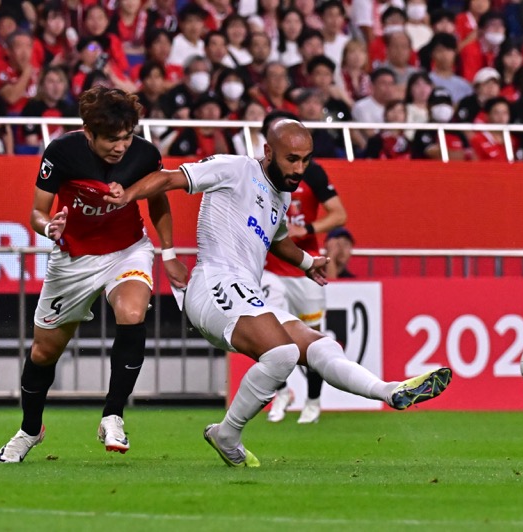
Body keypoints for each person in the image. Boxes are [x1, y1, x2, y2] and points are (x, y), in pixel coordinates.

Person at [103, 118, 452, 467]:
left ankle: (388, 391)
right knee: (282, 354)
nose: (300, 168)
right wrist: (127, 197)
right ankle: (228, 432)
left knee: (320, 345)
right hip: (213, 285)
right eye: (292, 159)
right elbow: (168, 178)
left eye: (306, 159)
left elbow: (279, 240)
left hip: (245, 293)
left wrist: (306, 262)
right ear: (268, 151)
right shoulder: (234, 168)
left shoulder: (281, 195)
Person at [0, 86, 187, 463]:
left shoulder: (144, 154)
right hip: (74, 260)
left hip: (127, 249)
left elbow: (159, 197)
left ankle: (113, 415)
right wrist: (49, 227)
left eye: (127, 137)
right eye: (112, 139)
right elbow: (37, 212)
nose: (121, 146)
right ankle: (30, 430)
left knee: (131, 314)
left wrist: (168, 253)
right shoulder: (61, 152)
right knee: (44, 351)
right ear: (88, 133)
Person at [261, 111, 348, 425]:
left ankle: (313, 399)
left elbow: (339, 215)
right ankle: (282, 392)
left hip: (306, 267)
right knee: (271, 334)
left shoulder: (311, 172)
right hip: (270, 269)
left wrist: (307, 227)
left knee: (312, 337)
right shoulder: (258, 172)